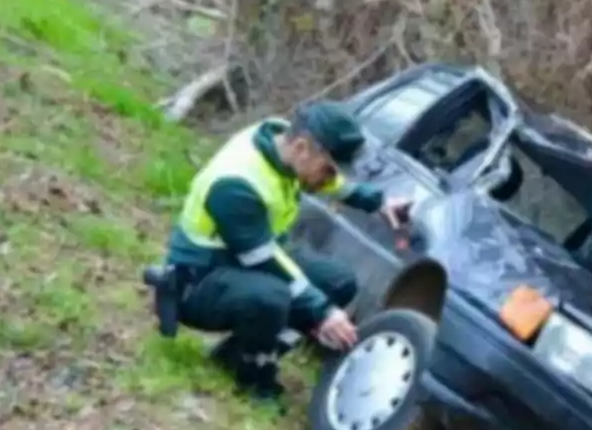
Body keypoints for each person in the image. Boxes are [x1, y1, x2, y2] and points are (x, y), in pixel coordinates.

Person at [160, 100, 411, 407]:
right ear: (303, 147)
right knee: (275, 296)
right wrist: (322, 312)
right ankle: (254, 375)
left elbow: (331, 182)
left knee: (338, 283)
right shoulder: (236, 183)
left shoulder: (283, 139)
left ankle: (238, 355)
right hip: (198, 280)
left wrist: (375, 201)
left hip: (242, 261)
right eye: (328, 168)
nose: (328, 177)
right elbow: (262, 257)